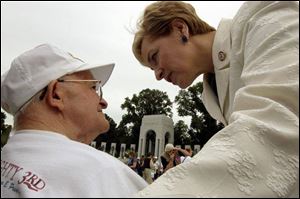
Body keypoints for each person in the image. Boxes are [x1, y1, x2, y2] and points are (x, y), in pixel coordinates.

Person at [132, 1, 299, 198]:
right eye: (152, 70)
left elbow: (276, 125)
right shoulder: (211, 95)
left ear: (180, 28)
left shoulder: (262, 14)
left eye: (155, 57)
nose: (157, 75)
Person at [1, 44, 148, 198]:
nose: (103, 102)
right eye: (93, 88)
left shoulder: (8, 159)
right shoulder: (101, 174)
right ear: (56, 94)